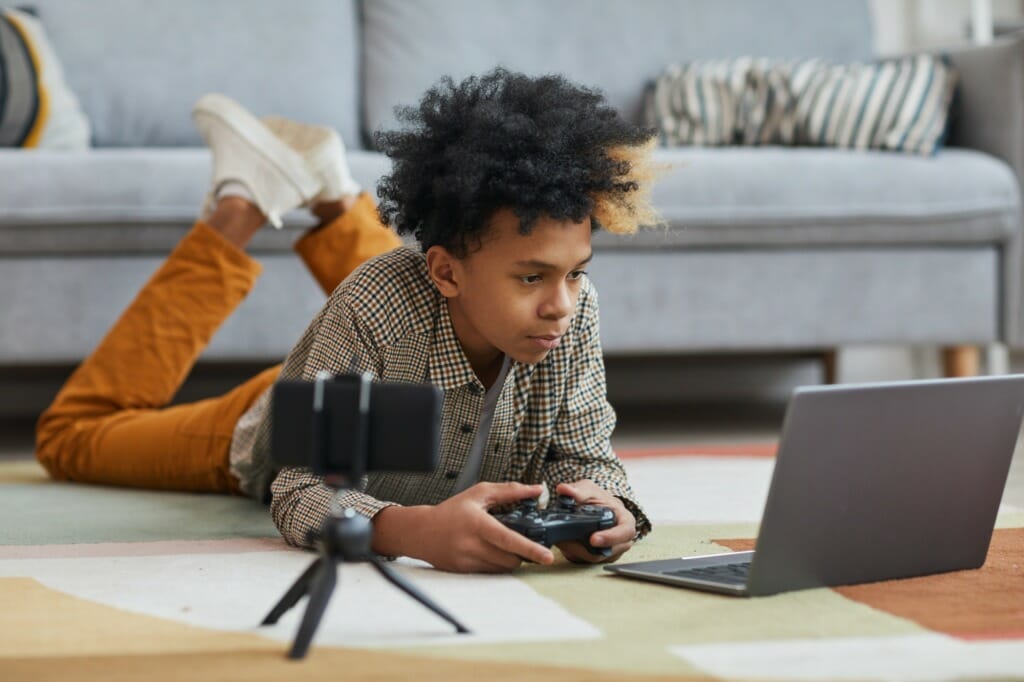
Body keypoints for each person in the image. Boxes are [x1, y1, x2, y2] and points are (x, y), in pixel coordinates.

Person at [37, 68, 662, 574]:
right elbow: (299, 489)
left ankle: (334, 195)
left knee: (432, 288)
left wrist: (607, 507)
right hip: (277, 421)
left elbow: (584, 456)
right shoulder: (374, 306)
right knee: (69, 438)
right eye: (533, 276)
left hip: (389, 345)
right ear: (444, 273)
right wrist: (412, 531)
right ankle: (241, 202)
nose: (563, 302)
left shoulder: (564, 313)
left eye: (576, 272)